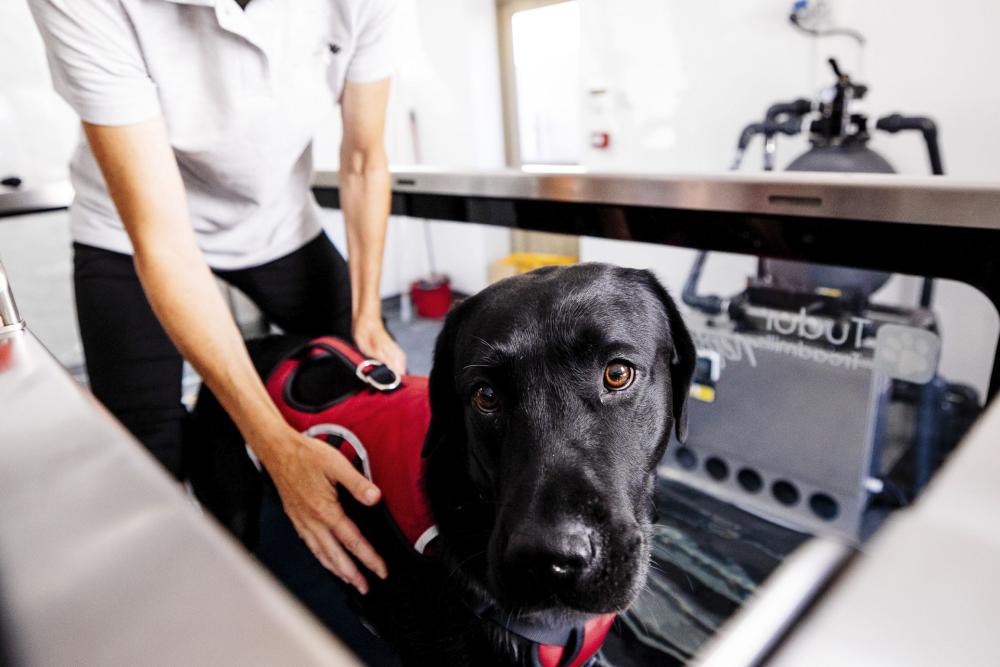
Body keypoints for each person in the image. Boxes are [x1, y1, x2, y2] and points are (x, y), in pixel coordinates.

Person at [28, 0, 404, 598]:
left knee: (360, 376)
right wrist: (275, 446)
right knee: (145, 447)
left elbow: (363, 160)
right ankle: (187, 591)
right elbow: (164, 240)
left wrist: (366, 315)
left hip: (278, 221)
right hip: (130, 228)